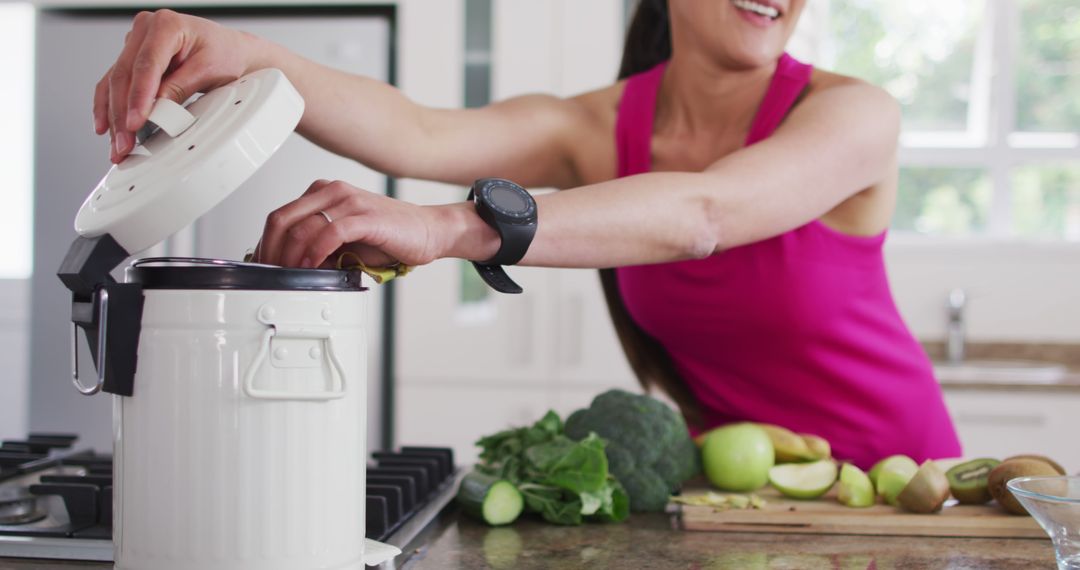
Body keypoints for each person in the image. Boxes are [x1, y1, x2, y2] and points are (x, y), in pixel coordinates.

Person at [93, 0, 962, 469]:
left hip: (897, 485)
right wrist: (242, 50)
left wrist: (450, 227)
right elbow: (421, 133)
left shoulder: (853, 115)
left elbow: (707, 215)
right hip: (732, 490)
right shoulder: (598, 126)